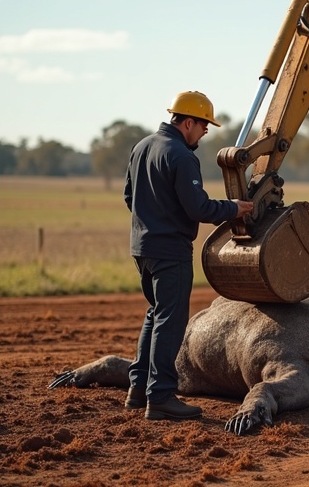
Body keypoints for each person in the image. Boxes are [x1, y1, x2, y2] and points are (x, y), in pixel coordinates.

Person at [123, 90, 253, 421]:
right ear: (189, 122)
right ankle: (162, 397)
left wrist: (153, 219)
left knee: (155, 314)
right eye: (205, 125)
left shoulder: (142, 147)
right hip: (171, 251)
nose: (207, 132)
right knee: (170, 320)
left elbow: (129, 196)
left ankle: (138, 389)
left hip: (142, 247)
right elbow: (198, 208)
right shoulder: (181, 156)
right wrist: (234, 209)